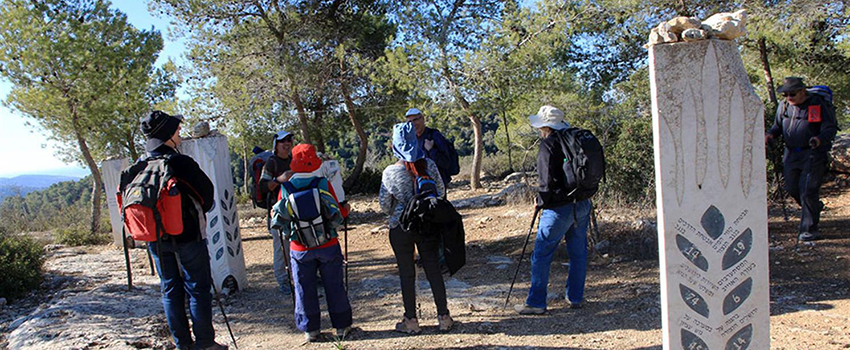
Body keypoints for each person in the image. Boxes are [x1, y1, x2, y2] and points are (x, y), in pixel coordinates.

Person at [140, 111, 227, 350]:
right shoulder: (180, 163)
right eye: (176, 130)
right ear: (168, 135)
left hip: (156, 240)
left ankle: (182, 344)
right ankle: (205, 343)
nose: (179, 133)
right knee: (198, 289)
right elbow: (207, 195)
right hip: (189, 236)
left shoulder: (141, 165)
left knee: (170, 289)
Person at [270, 144, 352, 342]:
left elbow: (280, 218)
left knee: (303, 287)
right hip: (328, 244)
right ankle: (341, 326)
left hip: (299, 248)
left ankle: (310, 330)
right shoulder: (322, 183)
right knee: (334, 284)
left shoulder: (286, 187)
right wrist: (346, 209)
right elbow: (337, 213)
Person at [515, 105, 592, 315]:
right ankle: (575, 297)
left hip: (558, 208)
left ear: (545, 125)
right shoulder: (574, 138)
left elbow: (545, 181)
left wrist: (540, 200)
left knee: (541, 254)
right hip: (582, 202)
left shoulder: (549, 144)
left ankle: (536, 302)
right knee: (578, 253)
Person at [380, 122, 454, 334]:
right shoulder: (429, 165)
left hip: (400, 225)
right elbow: (440, 193)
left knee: (406, 273)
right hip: (428, 223)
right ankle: (444, 317)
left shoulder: (390, 172)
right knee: (432, 269)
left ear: (395, 145)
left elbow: (384, 205)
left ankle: (411, 320)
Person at [766, 77, 838, 242]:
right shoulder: (783, 106)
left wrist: (819, 139)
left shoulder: (817, 104)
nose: (789, 97)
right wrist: (770, 134)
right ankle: (814, 207)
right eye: (786, 94)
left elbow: (829, 128)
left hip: (813, 153)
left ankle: (809, 230)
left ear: (802, 91)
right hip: (791, 154)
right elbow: (777, 126)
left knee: (808, 190)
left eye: (792, 94)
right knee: (792, 188)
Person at [259, 130, 294, 294]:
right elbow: (262, 186)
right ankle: (283, 280)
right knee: (281, 248)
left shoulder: (294, 161)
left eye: (289, 140)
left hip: (295, 211)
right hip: (277, 212)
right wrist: (278, 180)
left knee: (297, 245)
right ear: (276, 144)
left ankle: (298, 277)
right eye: (283, 141)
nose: (287, 144)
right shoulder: (271, 163)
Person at [405, 108, 456, 190]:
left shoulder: (434, 135)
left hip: (437, 184)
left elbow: (446, 162)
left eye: (415, 120)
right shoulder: (411, 140)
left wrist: (431, 150)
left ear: (422, 119)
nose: (413, 124)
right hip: (420, 185)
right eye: (410, 122)